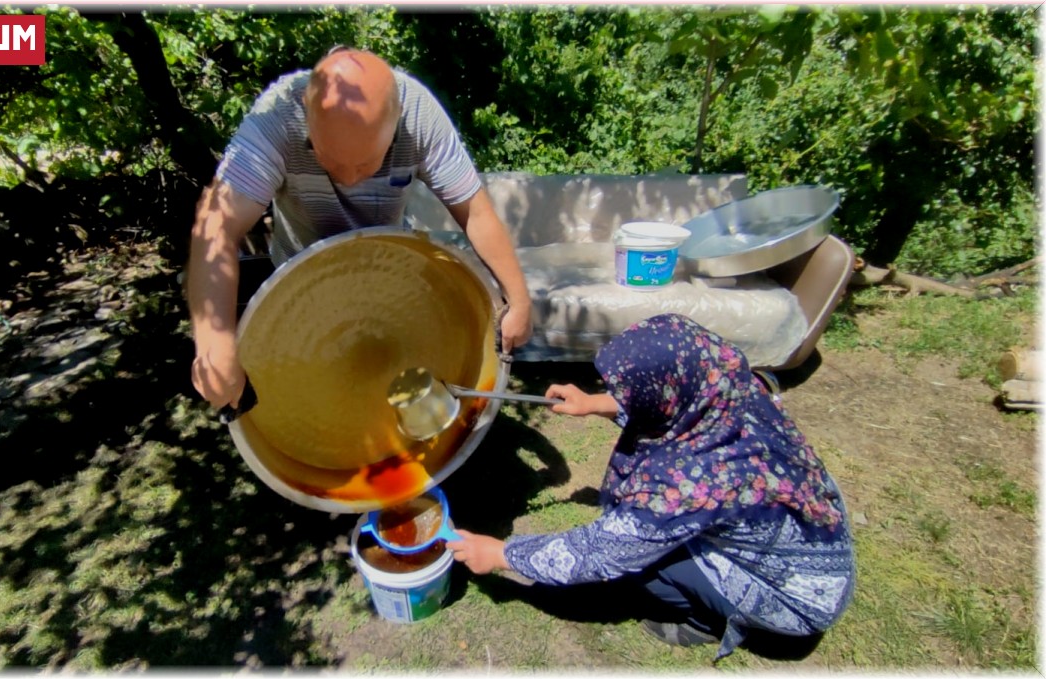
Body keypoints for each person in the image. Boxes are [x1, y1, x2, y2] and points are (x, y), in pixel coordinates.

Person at [446, 313, 855, 660]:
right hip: (817, 549)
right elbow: (669, 412)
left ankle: (705, 619)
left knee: (642, 568)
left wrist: (500, 553)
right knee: (661, 539)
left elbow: (599, 553)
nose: (620, 395)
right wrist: (594, 403)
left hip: (796, 600)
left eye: (626, 391)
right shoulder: (735, 389)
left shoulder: (688, 486)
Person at [186, 46, 533, 410]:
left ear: (396, 121)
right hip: (301, 284)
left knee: (386, 379)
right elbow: (217, 227)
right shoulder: (278, 117)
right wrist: (213, 344)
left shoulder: (418, 114)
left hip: (389, 276)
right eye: (329, 160)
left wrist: (520, 300)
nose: (348, 178)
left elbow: (475, 212)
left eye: (367, 163)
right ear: (306, 112)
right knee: (320, 393)